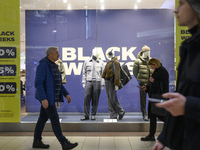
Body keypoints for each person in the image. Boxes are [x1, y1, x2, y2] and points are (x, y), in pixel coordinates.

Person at [152, 0, 200, 150]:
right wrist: (164, 138)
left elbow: (185, 103)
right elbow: (183, 96)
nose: (175, 10)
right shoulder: (190, 47)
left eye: (182, 3)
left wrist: (188, 105)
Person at [33, 46, 78, 150]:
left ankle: (36, 141)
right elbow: (38, 83)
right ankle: (64, 143)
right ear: (50, 54)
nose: (58, 55)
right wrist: (43, 98)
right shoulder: (43, 65)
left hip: (50, 97)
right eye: (56, 53)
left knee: (42, 119)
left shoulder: (54, 65)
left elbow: (58, 83)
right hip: (48, 98)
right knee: (55, 120)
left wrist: (66, 94)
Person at [140, 58, 169, 141]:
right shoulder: (157, 71)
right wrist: (147, 88)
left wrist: (154, 81)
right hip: (154, 97)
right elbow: (154, 85)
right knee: (153, 115)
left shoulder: (162, 71)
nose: (151, 67)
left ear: (155, 64)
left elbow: (164, 85)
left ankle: (174, 128)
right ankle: (151, 135)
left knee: (161, 116)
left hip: (159, 98)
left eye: (151, 66)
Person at [81, 48, 105, 121]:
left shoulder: (101, 62)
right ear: (92, 52)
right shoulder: (87, 61)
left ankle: (93, 114)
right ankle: (86, 115)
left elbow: (103, 74)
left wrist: (102, 84)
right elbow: (84, 72)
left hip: (97, 82)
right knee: (86, 98)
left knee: (95, 99)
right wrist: (83, 82)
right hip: (89, 81)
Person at [102, 49, 125, 120]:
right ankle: (113, 115)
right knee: (109, 99)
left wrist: (116, 84)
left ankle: (121, 112)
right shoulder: (110, 62)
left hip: (111, 82)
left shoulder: (115, 62)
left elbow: (117, 74)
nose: (109, 55)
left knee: (113, 98)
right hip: (107, 82)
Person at [132, 45, 154, 121]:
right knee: (143, 100)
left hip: (151, 83)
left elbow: (153, 71)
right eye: (148, 51)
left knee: (152, 99)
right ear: (144, 52)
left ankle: (152, 114)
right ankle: (144, 114)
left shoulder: (151, 61)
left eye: (149, 51)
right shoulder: (137, 61)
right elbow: (135, 72)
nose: (149, 53)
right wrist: (139, 81)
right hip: (142, 83)